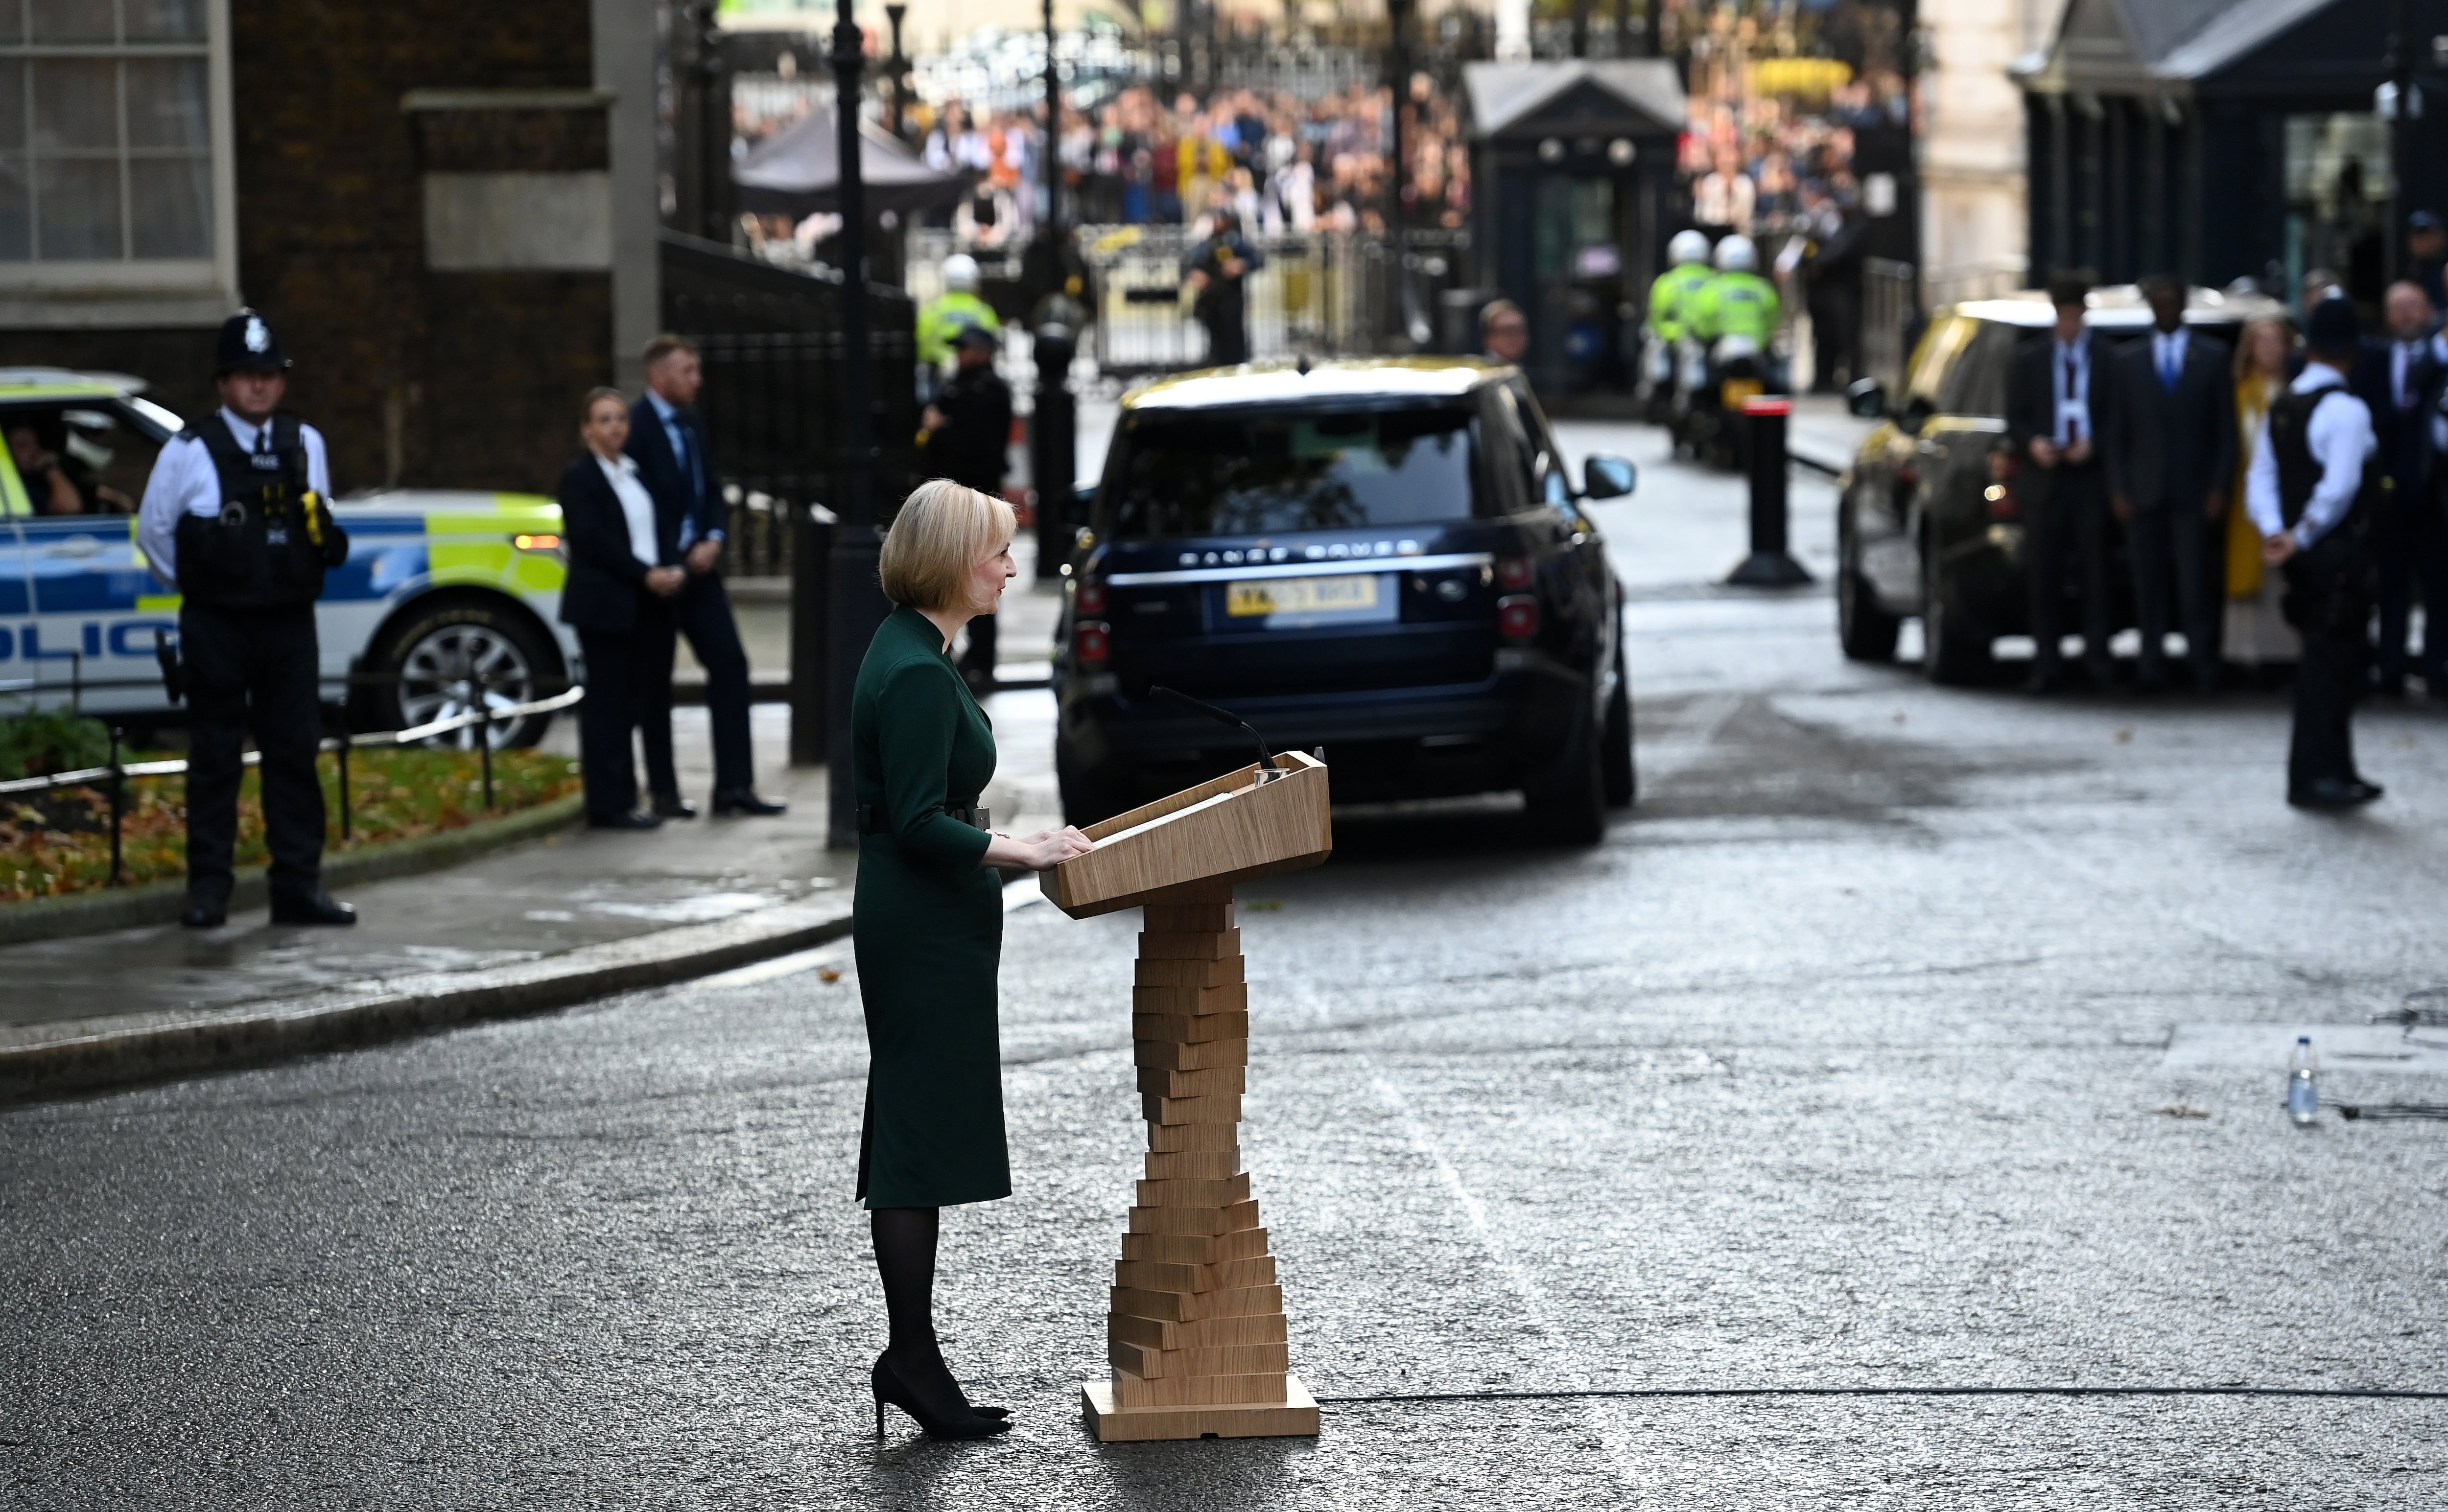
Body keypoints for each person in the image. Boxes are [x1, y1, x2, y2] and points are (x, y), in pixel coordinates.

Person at [852, 478, 1093, 1439]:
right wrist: (1025, 852)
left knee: (916, 1137)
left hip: (931, 918)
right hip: (919, 926)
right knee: (912, 1147)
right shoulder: (914, 667)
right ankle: (910, 1356)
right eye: (997, 549)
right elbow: (915, 822)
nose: (1009, 565)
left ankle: (912, 1352)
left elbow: (927, 809)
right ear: (955, 559)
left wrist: (1006, 841)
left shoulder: (918, 650)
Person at [136, 309, 354, 929]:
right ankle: (208, 890)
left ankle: (298, 887)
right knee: (215, 758)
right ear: (222, 383)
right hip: (218, 626)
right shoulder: (189, 448)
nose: (258, 386)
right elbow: (154, 531)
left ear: (282, 382)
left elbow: (318, 522)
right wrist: (205, 588)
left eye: (269, 375)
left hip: (288, 624)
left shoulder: (305, 442)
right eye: (244, 375)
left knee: (294, 754)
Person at [625, 334, 785, 819]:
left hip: (701, 570)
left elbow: (710, 487)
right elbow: (636, 504)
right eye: (687, 371)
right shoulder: (634, 427)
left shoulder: (693, 422)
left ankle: (734, 786)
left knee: (731, 665)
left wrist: (714, 534)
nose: (697, 379)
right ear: (660, 376)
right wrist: (667, 555)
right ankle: (665, 792)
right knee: (654, 681)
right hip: (658, 575)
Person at [2247, 296, 2382, 810]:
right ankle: (2315, 774)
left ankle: (2334, 767)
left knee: (2323, 660)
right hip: (2336, 553)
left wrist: (2274, 531)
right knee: (2330, 666)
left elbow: (2260, 476)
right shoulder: (2344, 410)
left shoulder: (2282, 405)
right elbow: (2340, 487)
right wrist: (2299, 534)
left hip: (2302, 554)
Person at [2100, 274, 2237, 693]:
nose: (2165, 308)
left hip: (2194, 492)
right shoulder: (2128, 361)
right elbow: (2116, 434)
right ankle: (2151, 665)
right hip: (2144, 493)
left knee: (2195, 583)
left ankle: (2201, 663)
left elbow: (2226, 433)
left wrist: (2219, 488)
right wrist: (2119, 490)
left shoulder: (2213, 358)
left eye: (2171, 301)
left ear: (2182, 304)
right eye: (2157, 302)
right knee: (2148, 583)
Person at [558, 388, 687, 831]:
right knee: (608, 705)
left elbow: (660, 526)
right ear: (587, 429)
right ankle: (609, 802)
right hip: (607, 606)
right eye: (604, 419)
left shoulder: (635, 473)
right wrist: (643, 573)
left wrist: (670, 568)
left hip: (649, 603)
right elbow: (593, 541)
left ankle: (651, 793)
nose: (616, 427)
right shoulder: (581, 478)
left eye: (620, 419)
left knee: (645, 700)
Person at [2006, 275, 2115, 692]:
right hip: (2044, 481)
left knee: (2095, 573)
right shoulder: (2030, 359)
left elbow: (2115, 417)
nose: (2069, 322)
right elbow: (2015, 417)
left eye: (2076, 315)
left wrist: (2096, 446)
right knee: (2044, 576)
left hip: (2089, 479)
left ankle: (2099, 661)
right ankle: (2046, 662)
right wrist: (2033, 443)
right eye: (2063, 315)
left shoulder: (2105, 358)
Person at [2348, 280, 2448, 697]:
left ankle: (2435, 668)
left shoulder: (2438, 355)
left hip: (2434, 489)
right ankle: (2389, 667)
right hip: (2388, 494)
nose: (2406, 315)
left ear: (2428, 310)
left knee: (2438, 583)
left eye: (2413, 306)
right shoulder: (2372, 358)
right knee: (2390, 585)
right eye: (2398, 308)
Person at [921, 324, 1014, 691]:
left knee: (983, 576)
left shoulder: (990, 391)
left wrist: (943, 428)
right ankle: (963, 651)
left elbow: (980, 446)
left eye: (966, 349)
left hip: (979, 501)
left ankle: (982, 656)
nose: (960, 355)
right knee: (956, 576)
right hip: (954, 500)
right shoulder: (955, 386)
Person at [2223, 315, 2305, 675]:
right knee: (2250, 570)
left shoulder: (2299, 390)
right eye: (2262, 342)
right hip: (2247, 495)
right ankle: (2250, 656)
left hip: (2292, 496)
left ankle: (2289, 654)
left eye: (2276, 341)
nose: (2270, 349)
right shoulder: (2238, 392)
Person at [1183, 208, 1262, 366]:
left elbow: (1257, 259)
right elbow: (1188, 264)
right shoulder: (1206, 245)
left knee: (1234, 340)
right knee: (1216, 340)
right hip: (1211, 299)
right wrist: (1195, 274)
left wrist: (1242, 265)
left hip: (1231, 298)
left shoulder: (1235, 242)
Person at [1643, 230, 1714, 398]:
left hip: (1676, 339)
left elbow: (1656, 318)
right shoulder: (1716, 281)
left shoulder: (1666, 283)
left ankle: (1654, 393)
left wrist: (1670, 332)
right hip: (1707, 339)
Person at [916, 254, 1000, 393]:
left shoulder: (932, 310)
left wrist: (943, 360)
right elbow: (991, 344)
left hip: (938, 375)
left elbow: (922, 346)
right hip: (974, 379)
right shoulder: (984, 311)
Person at [2409, 210, 2447, 314]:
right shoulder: (2410, 272)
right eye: (2418, 237)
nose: (2422, 242)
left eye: (2427, 235)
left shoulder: (2445, 269)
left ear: (2441, 237)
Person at [1481, 299, 1528, 365]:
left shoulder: (1525, 371)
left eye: (1517, 329)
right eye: (1506, 330)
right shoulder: (1481, 374)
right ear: (1489, 338)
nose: (1513, 336)